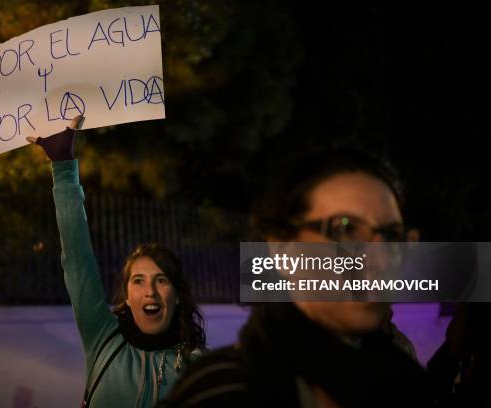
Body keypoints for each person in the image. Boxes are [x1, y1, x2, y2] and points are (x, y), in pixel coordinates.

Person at [159, 147, 433, 407]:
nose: (380, 259)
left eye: (391, 236)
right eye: (345, 230)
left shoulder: (410, 385)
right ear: (282, 248)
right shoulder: (219, 392)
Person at [27, 116, 205, 408]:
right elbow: (77, 259)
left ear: (177, 296)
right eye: (139, 281)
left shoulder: (198, 368)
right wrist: (63, 166)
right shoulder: (102, 337)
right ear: (128, 296)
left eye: (161, 280)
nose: (150, 291)